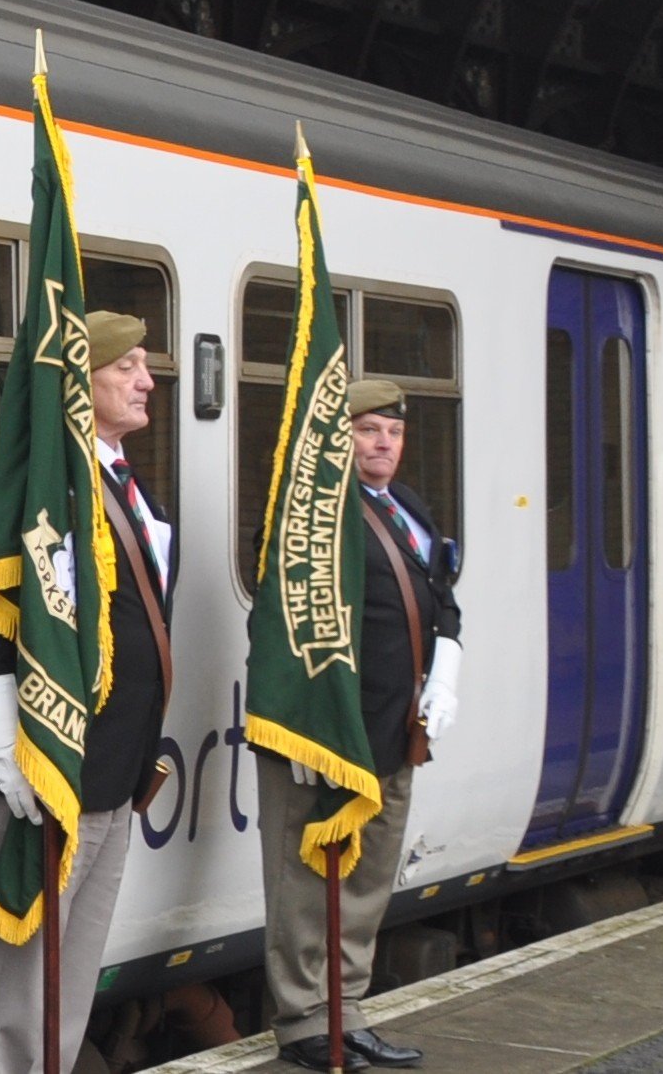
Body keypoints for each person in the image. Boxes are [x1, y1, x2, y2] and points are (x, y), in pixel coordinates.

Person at [0, 311, 177, 1072]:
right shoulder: (45, 488)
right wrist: (7, 757)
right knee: (23, 967)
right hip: (46, 766)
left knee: (71, 972)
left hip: (110, 773)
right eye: (127, 367)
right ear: (82, 385)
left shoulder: (118, 482)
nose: (146, 380)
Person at [258, 378, 463, 1071]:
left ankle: (346, 1011)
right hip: (324, 732)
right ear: (334, 438)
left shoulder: (401, 506)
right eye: (367, 430)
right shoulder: (310, 513)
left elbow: (440, 596)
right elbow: (284, 624)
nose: (383, 444)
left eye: (393, 432)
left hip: (392, 728)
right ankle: (303, 1021)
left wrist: (446, 669)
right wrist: (301, 722)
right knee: (306, 883)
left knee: (367, 882)